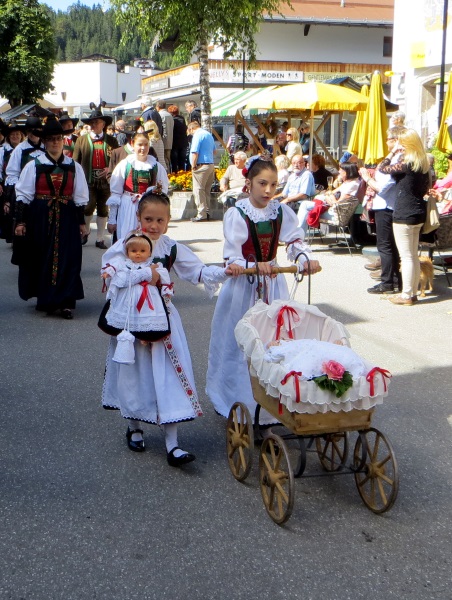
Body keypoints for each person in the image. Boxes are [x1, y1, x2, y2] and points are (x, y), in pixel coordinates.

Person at [100, 189, 236, 464]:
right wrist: (142, 274)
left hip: (162, 320)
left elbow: (197, 271)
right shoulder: (126, 244)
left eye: (160, 220)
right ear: (138, 217)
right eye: (148, 218)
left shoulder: (171, 247)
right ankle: (134, 426)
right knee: (133, 374)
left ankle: (173, 443)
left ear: (168, 220)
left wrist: (224, 270)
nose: (154, 225)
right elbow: (110, 273)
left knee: (169, 375)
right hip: (130, 321)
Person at [206, 155, 321, 424]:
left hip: (272, 282)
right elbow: (232, 256)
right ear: (249, 184)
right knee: (241, 343)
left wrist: (303, 259)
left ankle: (272, 405)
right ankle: (236, 399)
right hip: (243, 286)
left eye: (273, 184)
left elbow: (294, 241)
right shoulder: (237, 213)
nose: (268, 190)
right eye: (262, 184)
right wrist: (251, 265)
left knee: (275, 341)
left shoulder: (280, 211)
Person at [13, 117, 89, 319]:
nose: (55, 142)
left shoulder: (74, 167)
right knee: (42, 256)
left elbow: (79, 197)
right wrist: (20, 222)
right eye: (51, 139)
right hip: (40, 216)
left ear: (63, 140)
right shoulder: (34, 165)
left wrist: (82, 223)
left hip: (66, 216)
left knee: (68, 257)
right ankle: (46, 299)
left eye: (58, 138)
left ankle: (65, 302)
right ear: (45, 142)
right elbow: (23, 195)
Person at [377, 128, 430, 306]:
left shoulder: (407, 166)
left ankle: (406, 295)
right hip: (418, 213)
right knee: (413, 255)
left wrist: (392, 152)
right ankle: (412, 292)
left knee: (406, 256)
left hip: (404, 213)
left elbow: (382, 168)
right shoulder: (423, 165)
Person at [101, 230, 172, 343]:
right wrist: (108, 272)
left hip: (149, 294)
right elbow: (115, 268)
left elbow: (164, 276)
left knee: (146, 314)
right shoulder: (124, 263)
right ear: (127, 252)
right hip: (128, 294)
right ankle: (127, 331)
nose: (138, 253)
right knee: (127, 311)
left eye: (142, 251)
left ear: (149, 252)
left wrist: (166, 288)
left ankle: (146, 334)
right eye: (133, 251)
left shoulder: (153, 265)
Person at [360, 126, 406, 294]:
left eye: (388, 139)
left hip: (386, 206)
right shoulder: (396, 159)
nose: (386, 142)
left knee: (385, 246)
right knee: (390, 246)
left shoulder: (397, 162)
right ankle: (394, 280)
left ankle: (387, 282)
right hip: (388, 205)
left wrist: (366, 178)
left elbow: (382, 187)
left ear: (395, 141)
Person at [107, 132, 168, 239]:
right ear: (133, 144)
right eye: (140, 144)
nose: (143, 148)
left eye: (146, 144)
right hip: (128, 207)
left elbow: (163, 194)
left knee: (148, 239)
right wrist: (112, 219)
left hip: (149, 208)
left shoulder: (156, 166)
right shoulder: (125, 165)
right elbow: (116, 193)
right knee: (127, 238)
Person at [73, 107, 119, 249]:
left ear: (103, 124)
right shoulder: (81, 140)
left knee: (104, 209)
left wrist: (109, 169)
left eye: (97, 122)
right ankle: (85, 232)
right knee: (88, 207)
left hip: (106, 181)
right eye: (92, 122)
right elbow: (75, 161)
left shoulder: (111, 140)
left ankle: (100, 238)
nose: (94, 125)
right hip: (88, 180)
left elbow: (117, 161)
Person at [297, 162, 360, 233]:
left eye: (340, 170)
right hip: (333, 210)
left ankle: (298, 235)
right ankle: (299, 235)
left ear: (345, 172)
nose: (338, 171)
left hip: (336, 215)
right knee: (306, 205)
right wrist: (338, 179)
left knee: (305, 205)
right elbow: (331, 190)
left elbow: (337, 204)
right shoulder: (349, 183)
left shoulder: (351, 186)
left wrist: (330, 197)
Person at [0, 121, 25, 241]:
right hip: (7, 184)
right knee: (10, 210)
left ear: (21, 136)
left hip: (23, 183)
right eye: (12, 135)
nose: (15, 137)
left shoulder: (26, 150)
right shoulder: (3, 151)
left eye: (17, 134)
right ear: (9, 137)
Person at [188, 120, 215, 222]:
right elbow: (214, 151)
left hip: (201, 165)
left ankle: (201, 214)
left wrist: (193, 166)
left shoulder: (197, 135)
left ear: (191, 129)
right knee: (206, 190)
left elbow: (195, 152)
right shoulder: (208, 134)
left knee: (198, 190)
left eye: (190, 132)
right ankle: (207, 212)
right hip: (210, 164)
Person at [167, 105, 188, 172]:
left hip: (174, 143)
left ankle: (174, 176)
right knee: (182, 162)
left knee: (174, 163)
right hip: (183, 143)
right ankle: (182, 176)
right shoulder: (182, 118)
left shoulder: (172, 120)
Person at [155, 101, 174, 171]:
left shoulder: (160, 115)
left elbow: (163, 129)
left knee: (164, 159)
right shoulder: (170, 115)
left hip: (163, 140)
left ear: (158, 107)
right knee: (168, 159)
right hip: (170, 140)